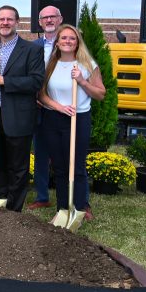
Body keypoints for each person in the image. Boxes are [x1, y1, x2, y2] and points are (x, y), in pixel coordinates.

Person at [0, 5, 45, 211]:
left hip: (18, 116)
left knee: (18, 166)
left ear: (17, 22)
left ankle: (13, 211)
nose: (5, 23)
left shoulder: (32, 50)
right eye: (1, 19)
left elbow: (35, 82)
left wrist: (3, 80)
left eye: (9, 19)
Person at [38, 24, 106, 230]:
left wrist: (82, 81)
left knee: (76, 166)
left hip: (79, 118)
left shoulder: (87, 64)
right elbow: (41, 95)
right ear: (57, 42)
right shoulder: (49, 64)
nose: (68, 41)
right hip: (54, 118)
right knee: (58, 167)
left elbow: (101, 94)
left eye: (72, 39)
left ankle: (79, 207)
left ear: (77, 43)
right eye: (64, 38)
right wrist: (59, 107)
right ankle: (62, 209)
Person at [30, 5, 62, 209]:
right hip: (39, 107)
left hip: (61, 108)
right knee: (40, 153)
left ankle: (75, 199)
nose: (49, 20)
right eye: (45, 18)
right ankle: (42, 197)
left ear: (60, 19)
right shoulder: (33, 47)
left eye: (53, 17)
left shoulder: (70, 44)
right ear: (40, 22)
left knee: (65, 156)